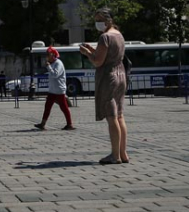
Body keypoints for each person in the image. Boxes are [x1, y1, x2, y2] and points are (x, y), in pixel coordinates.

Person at [80, 8, 129, 164]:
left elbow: (98, 62)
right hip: (121, 75)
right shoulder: (119, 35)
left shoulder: (105, 37)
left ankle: (115, 156)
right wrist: (92, 49)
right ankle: (123, 153)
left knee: (111, 116)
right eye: (96, 19)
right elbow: (108, 55)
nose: (98, 23)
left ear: (108, 20)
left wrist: (86, 53)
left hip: (109, 77)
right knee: (120, 115)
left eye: (100, 19)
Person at [34, 47, 74, 130]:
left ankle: (69, 124)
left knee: (64, 107)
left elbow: (55, 75)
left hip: (59, 90)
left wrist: (48, 67)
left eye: (48, 55)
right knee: (47, 106)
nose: (47, 57)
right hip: (52, 90)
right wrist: (49, 66)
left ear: (53, 55)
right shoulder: (52, 64)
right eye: (47, 55)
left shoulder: (58, 63)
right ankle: (43, 124)